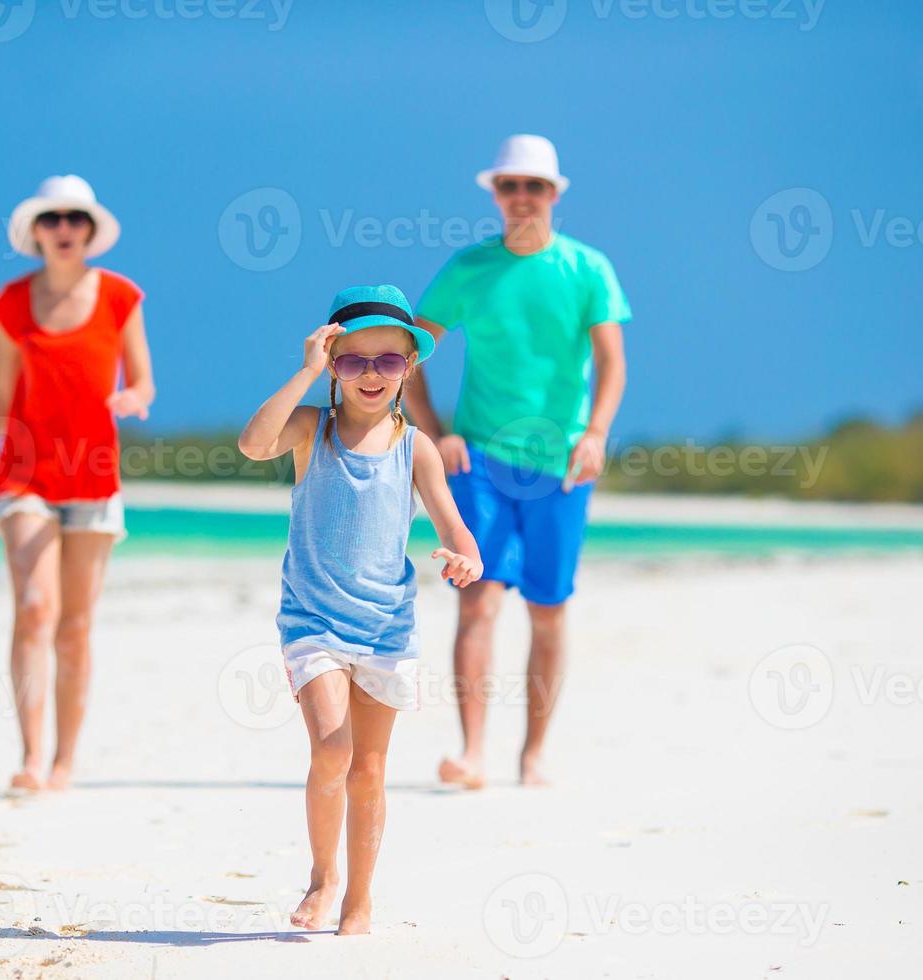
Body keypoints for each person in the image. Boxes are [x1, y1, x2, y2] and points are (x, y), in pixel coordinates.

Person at [238, 285, 482, 935]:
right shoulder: (309, 430)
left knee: (370, 772)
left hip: (385, 629)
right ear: (333, 362)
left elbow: (459, 534)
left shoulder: (416, 448)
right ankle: (322, 879)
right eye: (353, 361)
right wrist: (306, 371)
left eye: (388, 361)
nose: (371, 375)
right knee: (331, 751)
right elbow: (253, 443)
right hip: (312, 622)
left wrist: (463, 558)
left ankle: (360, 900)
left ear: (411, 367)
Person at [403, 134, 632, 789]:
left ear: (555, 194)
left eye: (534, 186)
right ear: (495, 194)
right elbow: (410, 352)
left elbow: (612, 361)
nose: (522, 196)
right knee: (477, 603)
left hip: (562, 467)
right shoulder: (468, 268)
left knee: (548, 608)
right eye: (510, 186)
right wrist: (435, 431)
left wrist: (596, 434)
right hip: (480, 460)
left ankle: (533, 754)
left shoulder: (587, 269)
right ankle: (473, 752)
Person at [0, 175, 155, 793]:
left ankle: (67, 759)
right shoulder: (12, 303)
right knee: (36, 610)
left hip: (94, 476)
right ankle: (31, 757)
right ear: (36, 232)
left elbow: (145, 380)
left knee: (75, 626)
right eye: (53, 219)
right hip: (24, 475)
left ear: (90, 232)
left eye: (75, 219)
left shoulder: (121, 297)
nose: (64, 228)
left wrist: (134, 397)